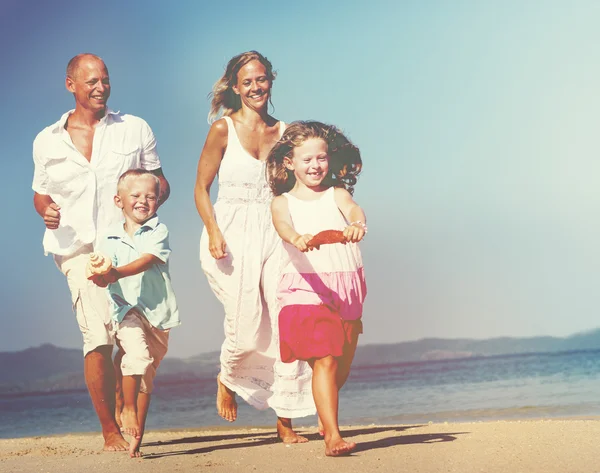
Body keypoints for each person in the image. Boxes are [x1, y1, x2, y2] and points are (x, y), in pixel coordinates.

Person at [31, 53, 170, 452]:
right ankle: (109, 430)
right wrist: (47, 211)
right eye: (91, 81)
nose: (100, 88)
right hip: (77, 249)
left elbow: (161, 185)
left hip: (126, 245)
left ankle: (127, 403)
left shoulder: (134, 129)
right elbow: (40, 193)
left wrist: (144, 216)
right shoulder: (47, 140)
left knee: (137, 340)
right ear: (70, 84)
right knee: (97, 336)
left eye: (105, 80)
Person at [194, 51, 315, 442]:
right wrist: (213, 230)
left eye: (261, 79)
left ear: (271, 81)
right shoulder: (222, 129)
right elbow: (201, 188)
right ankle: (228, 377)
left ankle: (286, 421)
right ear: (235, 86)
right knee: (245, 324)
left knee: (284, 323)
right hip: (229, 233)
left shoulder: (286, 132)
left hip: (274, 229)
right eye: (247, 82)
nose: (255, 87)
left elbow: (303, 181)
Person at [267, 121, 367, 456]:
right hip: (305, 287)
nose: (315, 166)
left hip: (345, 286)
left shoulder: (337, 194)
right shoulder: (283, 202)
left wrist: (356, 224)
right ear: (289, 162)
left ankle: (325, 415)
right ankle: (333, 437)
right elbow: (283, 226)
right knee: (325, 358)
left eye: (321, 158)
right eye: (307, 159)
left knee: (342, 363)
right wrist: (295, 237)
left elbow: (354, 210)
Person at [93, 169, 180, 458]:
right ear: (119, 201)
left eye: (151, 197)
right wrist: (101, 273)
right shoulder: (108, 235)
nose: (144, 201)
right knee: (138, 356)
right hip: (126, 309)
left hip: (158, 314)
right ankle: (127, 408)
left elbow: (147, 260)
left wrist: (114, 273)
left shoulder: (159, 230)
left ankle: (135, 441)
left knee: (145, 376)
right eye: (136, 196)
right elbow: (104, 267)